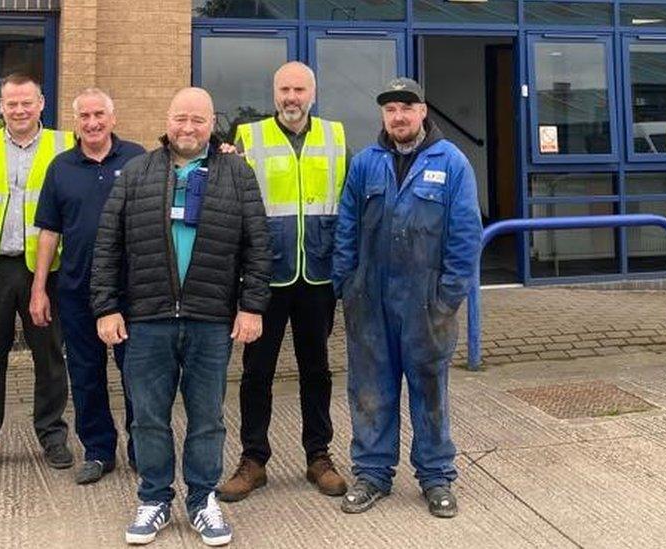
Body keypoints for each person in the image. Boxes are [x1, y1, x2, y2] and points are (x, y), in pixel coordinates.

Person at [91, 87, 271, 547]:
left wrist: (252, 306)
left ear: (212, 123)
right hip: (147, 318)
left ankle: (202, 499)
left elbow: (258, 246)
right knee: (148, 418)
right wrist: (107, 306)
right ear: (166, 120)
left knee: (207, 417)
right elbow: (108, 246)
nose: (187, 128)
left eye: (197, 119)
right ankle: (153, 498)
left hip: (211, 319)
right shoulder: (137, 172)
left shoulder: (237, 173)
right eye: (179, 118)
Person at [332, 77, 482, 518]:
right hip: (370, 300)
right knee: (370, 391)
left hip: (426, 303)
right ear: (383, 116)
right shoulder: (365, 163)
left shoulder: (451, 162)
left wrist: (449, 296)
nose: (398, 116)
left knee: (429, 390)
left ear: (422, 112)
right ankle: (372, 474)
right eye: (390, 109)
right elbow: (347, 227)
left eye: (406, 108)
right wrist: (347, 284)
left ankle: (437, 477)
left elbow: (465, 234)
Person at [218, 61, 348, 502]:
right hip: (264, 277)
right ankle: (253, 460)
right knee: (257, 372)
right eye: (284, 90)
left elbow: (346, 207)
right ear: (274, 94)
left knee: (317, 370)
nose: (291, 97)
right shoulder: (249, 137)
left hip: (317, 274)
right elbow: (235, 209)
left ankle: (319, 456)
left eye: (299, 89)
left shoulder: (336, 136)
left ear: (313, 92)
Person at [0, 74, 75, 474]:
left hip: (48, 270)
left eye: (27, 103)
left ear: (42, 103)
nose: (19, 110)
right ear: (1, 107)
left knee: (50, 357)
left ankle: (53, 434)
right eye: (11, 104)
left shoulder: (66, 145)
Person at [29, 88, 146, 484]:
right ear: (75, 122)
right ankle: (98, 451)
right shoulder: (60, 167)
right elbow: (48, 232)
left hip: (132, 291)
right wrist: (39, 288)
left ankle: (141, 450)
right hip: (77, 290)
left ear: (113, 119)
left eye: (100, 115)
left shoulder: (137, 159)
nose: (93, 123)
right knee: (85, 373)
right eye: (85, 117)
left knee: (137, 373)